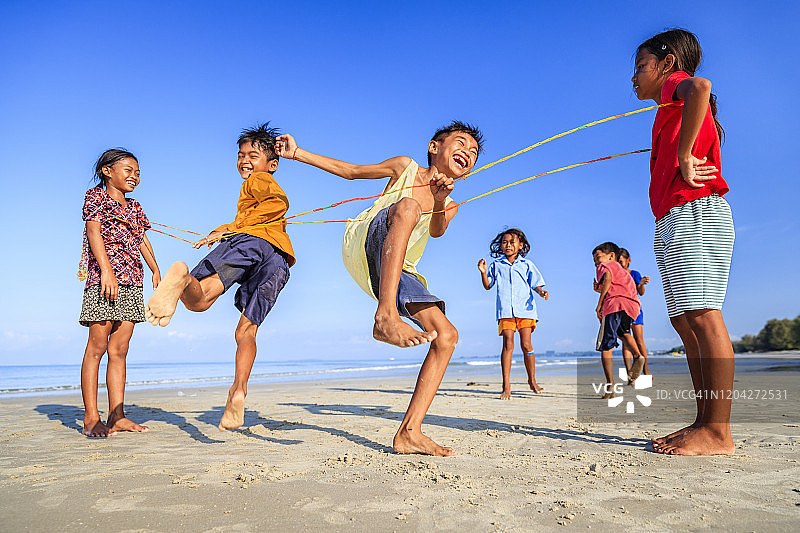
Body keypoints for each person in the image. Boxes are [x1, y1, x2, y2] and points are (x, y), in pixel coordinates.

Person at [273, 121, 483, 456]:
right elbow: (352, 171)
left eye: (473, 152)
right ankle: (385, 316)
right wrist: (297, 153)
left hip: (397, 269)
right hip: (365, 244)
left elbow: (439, 230)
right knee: (409, 206)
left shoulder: (451, 204)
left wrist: (441, 199)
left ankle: (409, 433)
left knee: (446, 336)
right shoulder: (405, 167)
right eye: (460, 144)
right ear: (434, 146)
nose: (467, 153)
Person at [144, 123, 295, 432]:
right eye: (241, 155)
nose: (245, 161)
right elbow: (248, 218)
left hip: (250, 244)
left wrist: (233, 230)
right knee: (245, 333)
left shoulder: (259, 180)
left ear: (272, 164)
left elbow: (278, 202)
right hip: (277, 260)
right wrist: (223, 229)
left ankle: (183, 279)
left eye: (253, 155)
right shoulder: (254, 188)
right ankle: (238, 391)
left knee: (199, 302)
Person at [632, 28, 735, 455]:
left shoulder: (680, 86)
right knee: (685, 321)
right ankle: (703, 421)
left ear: (667, 63)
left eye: (640, 67)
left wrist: (682, 155)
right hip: (675, 216)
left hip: (695, 212)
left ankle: (718, 431)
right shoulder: (670, 110)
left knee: (704, 316)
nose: (634, 77)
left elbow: (700, 86)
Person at [79, 149, 161, 437]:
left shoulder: (135, 207)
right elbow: (93, 233)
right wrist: (107, 271)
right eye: (128, 170)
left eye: (137, 172)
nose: (134, 177)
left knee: (120, 349)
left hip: (132, 281)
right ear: (107, 171)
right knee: (97, 346)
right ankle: (91, 417)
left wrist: (155, 269)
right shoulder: (95, 197)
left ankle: (118, 416)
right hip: (103, 280)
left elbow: (142, 240)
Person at [477, 228, 548, 399]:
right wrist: (483, 272)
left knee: (526, 345)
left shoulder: (527, 265)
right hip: (505, 311)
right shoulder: (497, 265)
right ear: (500, 246)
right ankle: (506, 386)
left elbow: (535, 284)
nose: (508, 245)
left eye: (512, 242)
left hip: (526, 309)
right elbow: (488, 286)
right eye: (504, 242)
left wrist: (541, 292)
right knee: (508, 344)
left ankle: (532, 380)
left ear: (520, 245)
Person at [592, 242, 645, 399]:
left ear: (611, 256)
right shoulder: (622, 271)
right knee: (624, 332)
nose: (596, 261)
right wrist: (600, 288)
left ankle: (610, 386)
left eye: (598, 257)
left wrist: (600, 303)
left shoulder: (605, 266)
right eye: (594, 259)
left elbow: (608, 278)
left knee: (605, 347)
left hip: (614, 305)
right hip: (630, 306)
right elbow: (620, 286)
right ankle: (637, 355)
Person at [618, 248, 651, 376]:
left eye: (621, 261)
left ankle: (645, 371)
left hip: (635, 310)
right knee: (626, 342)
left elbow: (641, 292)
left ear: (628, 261)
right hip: (621, 310)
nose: (619, 265)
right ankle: (629, 373)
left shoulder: (634, 274)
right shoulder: (615, 275)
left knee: (639, 340)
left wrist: (641, 284)